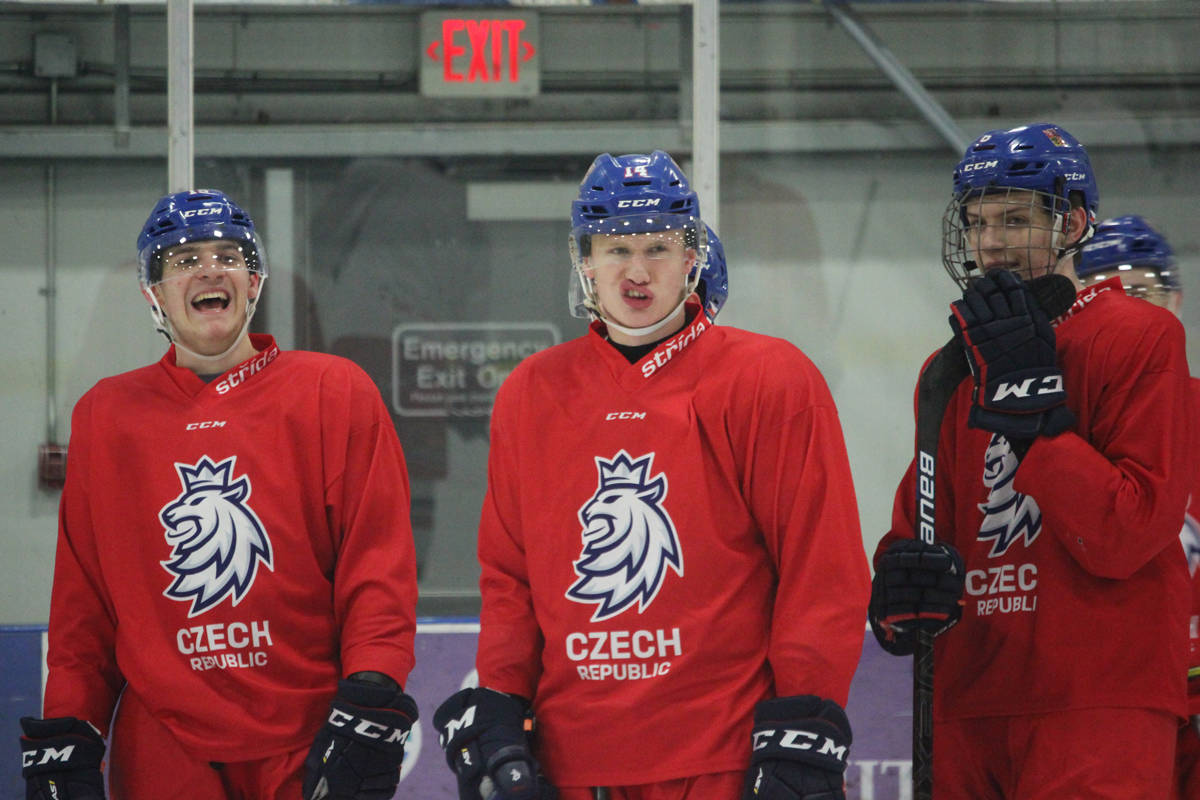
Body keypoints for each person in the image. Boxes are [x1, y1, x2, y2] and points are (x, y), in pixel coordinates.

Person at [433, 151, 870, 800]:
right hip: (571, 763)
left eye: (658, 248)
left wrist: (804, 720)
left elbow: (820, 571)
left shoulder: (767, 380)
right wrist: (501, 700)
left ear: (693, 258)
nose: (636, 272)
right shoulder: (531, 392)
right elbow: (511, 579)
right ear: (585, 261)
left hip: (720, 762)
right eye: (616, 250)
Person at [18, 189, 420, 800]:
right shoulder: (106, 415)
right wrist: (71, 724)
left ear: (252, 280)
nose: (209, 270)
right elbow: (84, 603)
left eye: (228, 256)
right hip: (162, 746)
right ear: (153, 291)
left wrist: (374, 691)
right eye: (183, 260)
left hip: (307, 735)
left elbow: (377, 567)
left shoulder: (331, 392)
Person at [868, 124, 1195, 797]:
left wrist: (1036, 430)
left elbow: (1132, 532)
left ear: (1071, 221)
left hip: (1099, 699)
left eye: (1014, 219)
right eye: (978, 221)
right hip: (969, 701)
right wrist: (899, 588)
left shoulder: (1137, 335)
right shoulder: (949, 366)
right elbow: (923, 525)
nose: (990, 243)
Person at [1078, 215, 1200, 800]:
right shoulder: (1059, 415)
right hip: (1115, 701)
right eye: (1102, 289)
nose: (1128, 306)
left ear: (1174, 300)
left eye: (1144, 291)